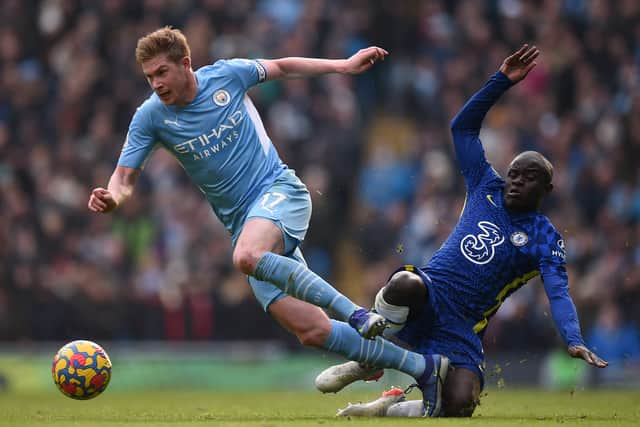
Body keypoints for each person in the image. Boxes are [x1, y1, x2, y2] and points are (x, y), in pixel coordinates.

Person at [87, 27, 452, 403]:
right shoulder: (151, 117)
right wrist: (113, 198)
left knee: (245, 257)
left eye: (161, 72)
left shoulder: (227, 75)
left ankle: (356, 313)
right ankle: (426, 368)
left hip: (280, 192)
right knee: (311, 331)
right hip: (244, 225)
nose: (156, 84)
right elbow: (124, 177)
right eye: (149, 77)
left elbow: (282, 66)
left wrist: (343, 66)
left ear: (186, 63)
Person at [315, 44, 609, 418]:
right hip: (431, 293)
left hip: (463, 327)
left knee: (460, 404)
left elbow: (559, 292)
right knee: (404, 282)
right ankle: (366, 359)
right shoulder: (485, 184)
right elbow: (462, 127)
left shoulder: (544, 238)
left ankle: (385, 408)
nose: (516, 181)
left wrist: (573, 339)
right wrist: (500, 82)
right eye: (515, 173)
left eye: (529, 178)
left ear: (547, 191)